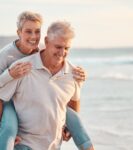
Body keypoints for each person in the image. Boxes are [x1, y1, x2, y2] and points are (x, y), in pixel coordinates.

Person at [0, 12, 93, 150]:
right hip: (9, 102)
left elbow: (73, 101)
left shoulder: (45, 50)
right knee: (8, 130)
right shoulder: (8, 57)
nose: (33, 37)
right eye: (28, 31)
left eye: (36, 31)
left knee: (71, 116)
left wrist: (68, 127)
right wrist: (9, 74)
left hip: (51, 140)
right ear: (19, 33)